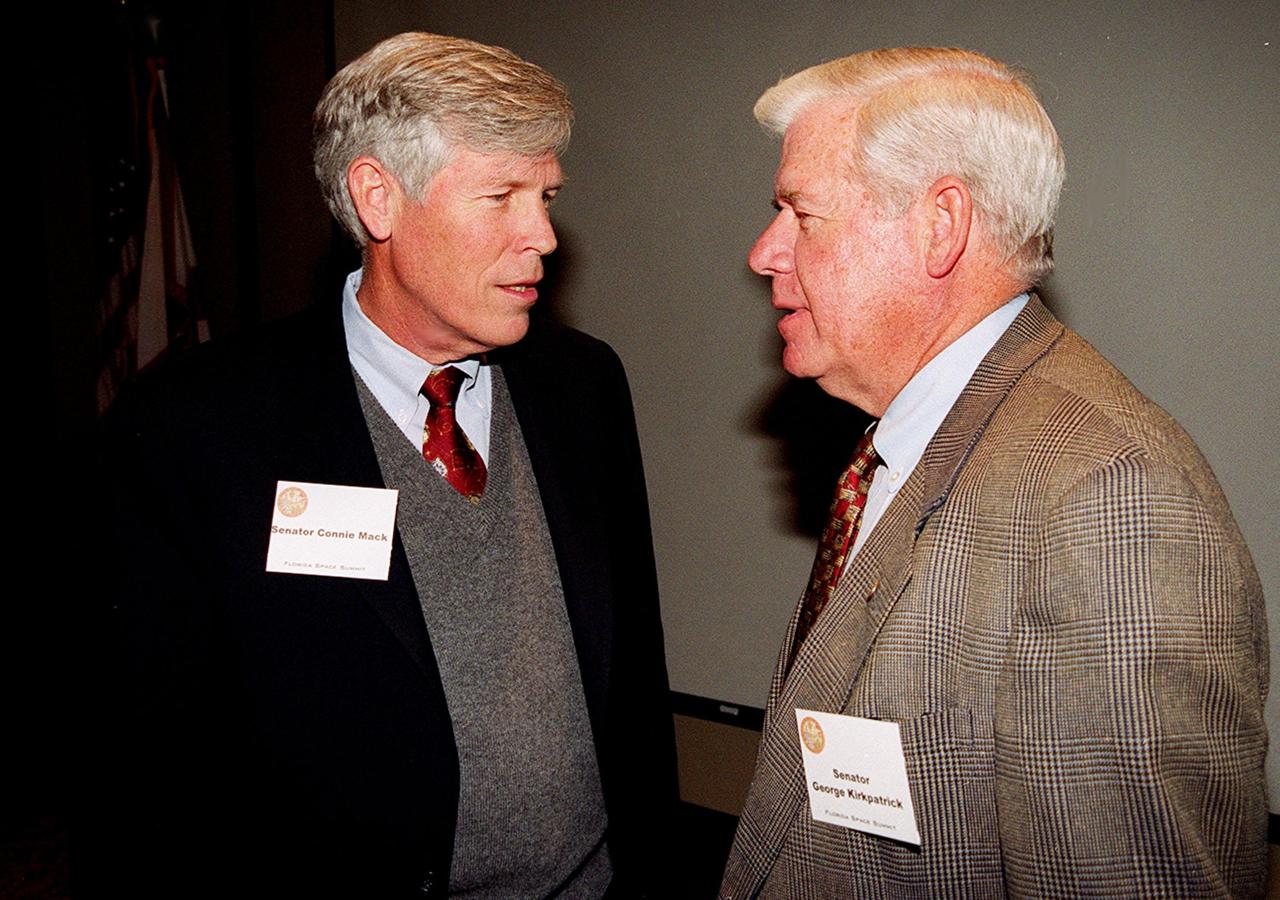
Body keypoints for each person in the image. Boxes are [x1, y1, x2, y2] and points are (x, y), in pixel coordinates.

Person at [82, 32, 676, 898]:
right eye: (502, 195)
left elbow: (634, 678)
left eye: (545, 195)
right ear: (377, 198)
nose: (543, 235)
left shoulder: (582, 385)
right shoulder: (200, 426)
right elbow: (148, 763)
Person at [721, 47, 1267, 897]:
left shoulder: (1107, 496)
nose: (764, 252)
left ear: (941, 225)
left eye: (801, 213)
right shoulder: (903, 444)